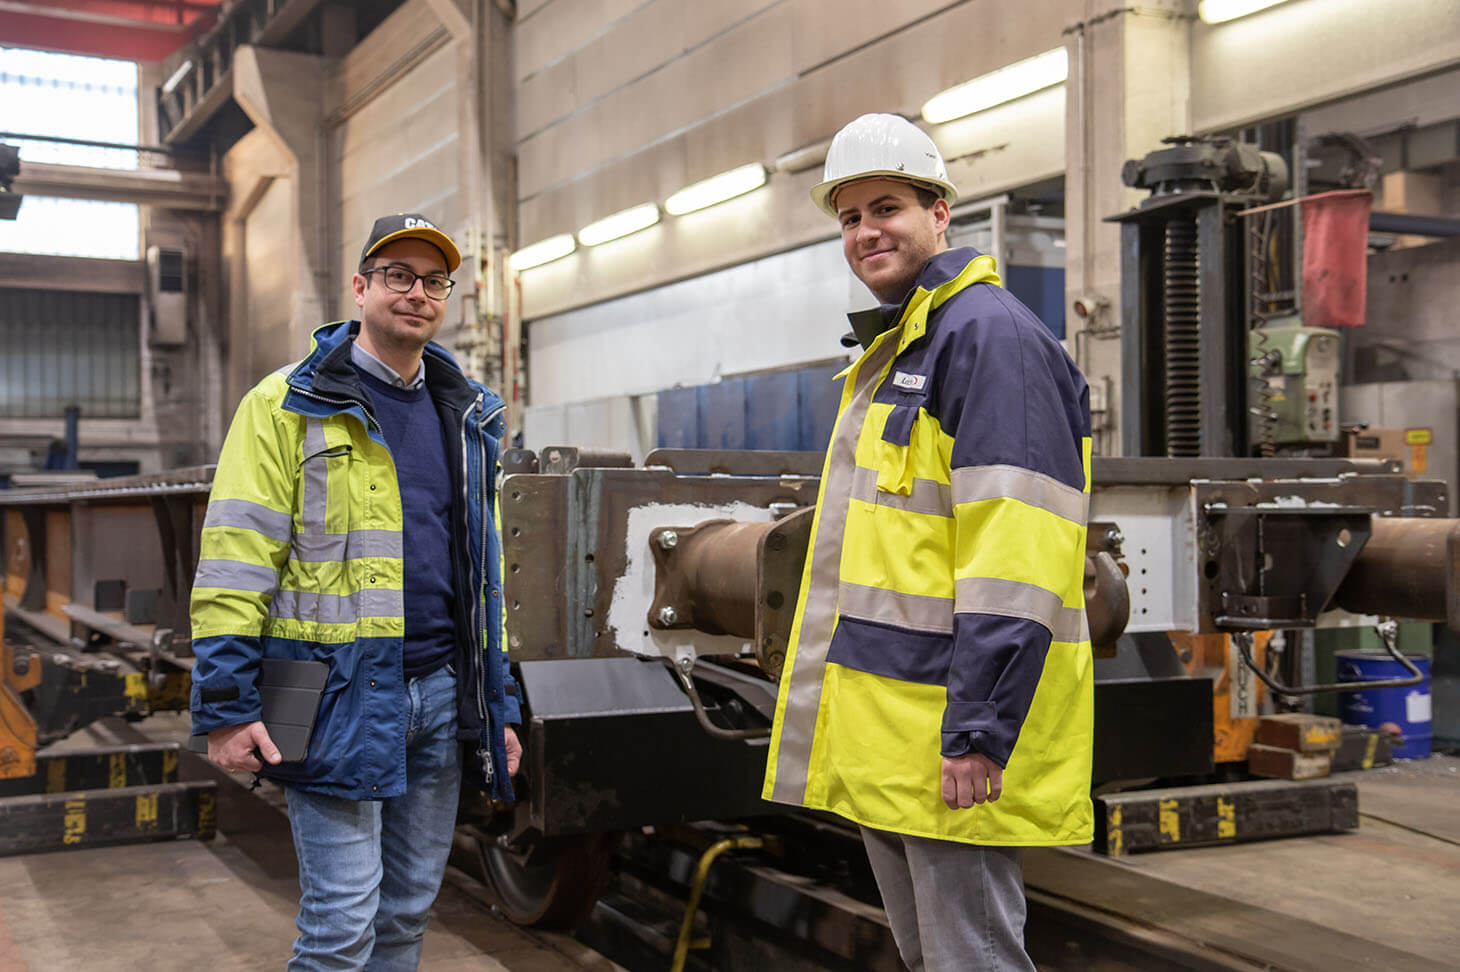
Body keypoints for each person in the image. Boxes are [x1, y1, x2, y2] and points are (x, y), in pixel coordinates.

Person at [762, 114, 1094, 971]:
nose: (866, 231)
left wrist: (979, 728)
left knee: (973, 960)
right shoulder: (907, 341)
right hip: (892, 738)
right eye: (848, 217)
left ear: (941, 212)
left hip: (950, 735)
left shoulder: (989, 338)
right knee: (931, 959)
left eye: (888, 207)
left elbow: (1017, 552)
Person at [189, 213, 521, 971]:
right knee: (341, 927)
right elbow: (236, 566)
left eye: (434, 281)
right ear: (361, 288)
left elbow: (481, 583)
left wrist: (495, 704)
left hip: (438, 694)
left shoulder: (466, 416)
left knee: (405, 916)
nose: (417, 293)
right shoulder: (284, 406)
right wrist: (226, 706)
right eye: (398, 276)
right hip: (333, 693)